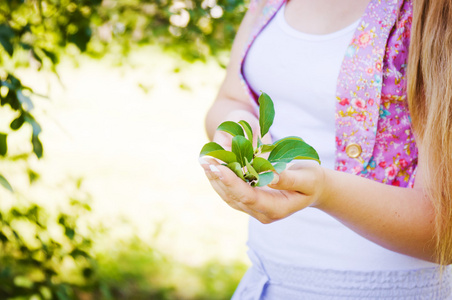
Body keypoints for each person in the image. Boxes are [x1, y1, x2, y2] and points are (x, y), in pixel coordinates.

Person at [199, 0, 452, 298]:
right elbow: (232, 98)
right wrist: (239, 129)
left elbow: (442, 231)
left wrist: (323, 190)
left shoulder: (433, 11)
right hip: (266, 281)